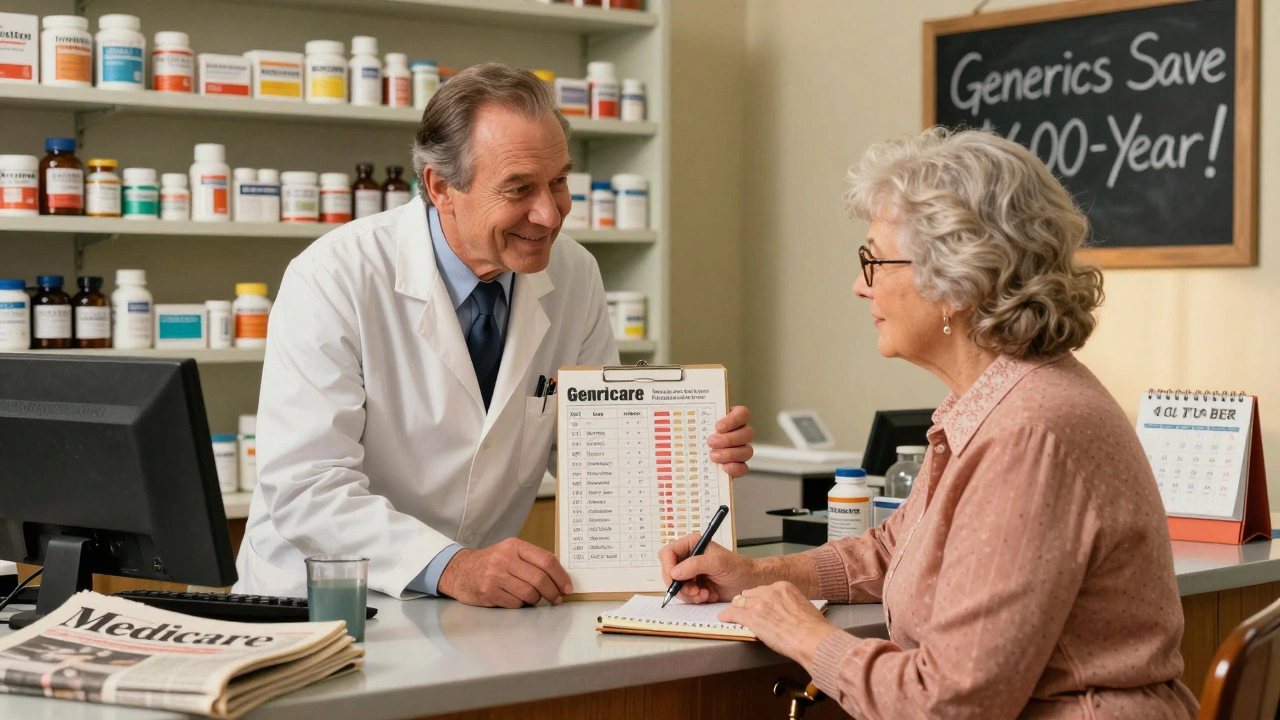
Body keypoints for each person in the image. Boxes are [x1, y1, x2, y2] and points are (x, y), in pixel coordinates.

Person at [660, 128, 1198, 718]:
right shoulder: (999, 401)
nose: (859, 286)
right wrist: (755, 573)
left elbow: (949, 704)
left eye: (874, 259)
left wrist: (805, 637)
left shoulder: (1030, 433)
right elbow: (898, 548)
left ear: (957, 281)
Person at [234, 63, 754, 607]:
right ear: (441, 188)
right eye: (519, 188)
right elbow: (307, 486)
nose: (549, 213)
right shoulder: (335, 276)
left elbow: (591, 450)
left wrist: (697, 452)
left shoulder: (575, 274)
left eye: (558, 180)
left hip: (468, 608)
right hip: (323, 601)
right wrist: (451, 566)